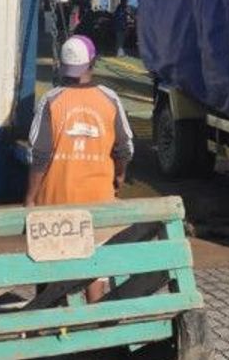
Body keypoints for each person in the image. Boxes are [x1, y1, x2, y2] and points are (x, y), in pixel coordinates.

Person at [27, 35, 134, 302]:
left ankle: (51, 321)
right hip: (99, 202)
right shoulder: (109, 99)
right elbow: (125, 149)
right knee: (94, 266)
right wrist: (119, 176)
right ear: (93, 63)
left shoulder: (52, 100)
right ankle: (95, 320)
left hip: (54, 202)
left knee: (49, 266)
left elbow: (39, 155)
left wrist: (30, 197)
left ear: (62, 67)